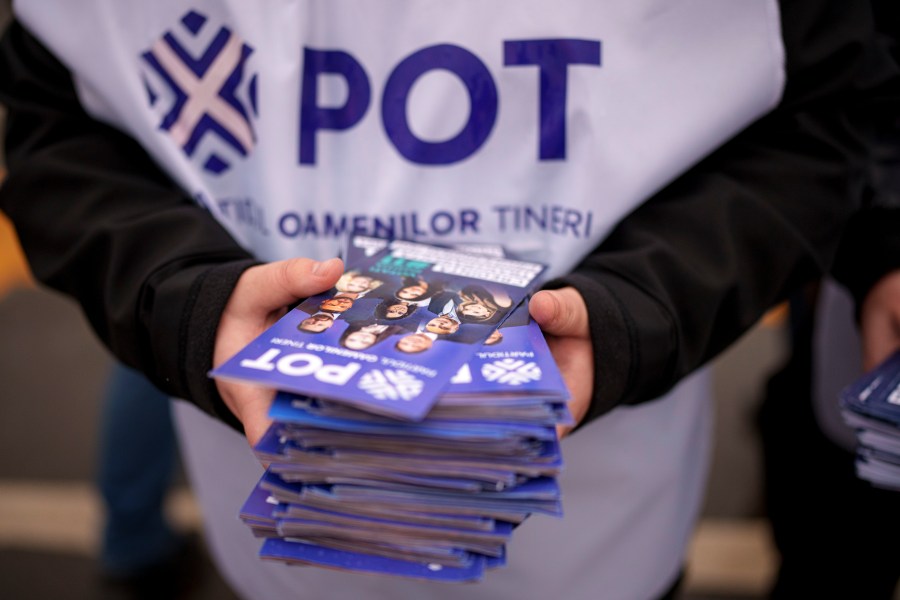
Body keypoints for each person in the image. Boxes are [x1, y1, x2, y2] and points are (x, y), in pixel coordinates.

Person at [0, 3, 896, 600]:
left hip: (602, 543)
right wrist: (186, 296)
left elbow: (818, 109)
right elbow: (56, 117)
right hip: (276, 540)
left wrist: (636, 307)